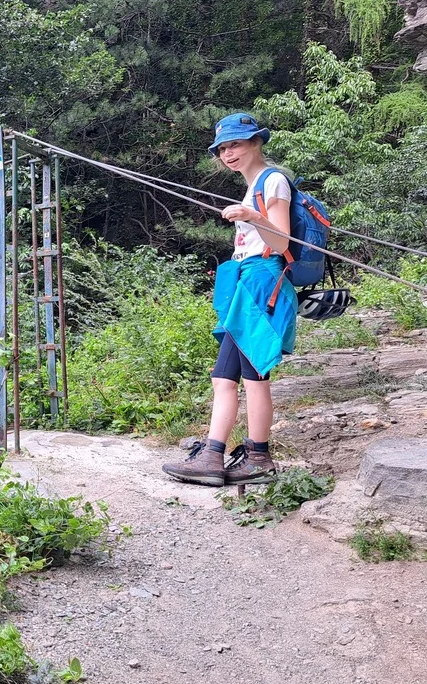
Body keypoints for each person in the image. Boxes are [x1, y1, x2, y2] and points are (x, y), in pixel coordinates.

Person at [162, 113, 298, 487]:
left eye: (235, 144)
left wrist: (254, 215)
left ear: (256, 142)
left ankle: (258, 457)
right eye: (223, 148)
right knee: (224, 378)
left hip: (262, 284)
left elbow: (282, 243)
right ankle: (212, 455)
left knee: (255, 379)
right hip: (245, 283)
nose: (228, 153)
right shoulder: (252, 184)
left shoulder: (273, 182)